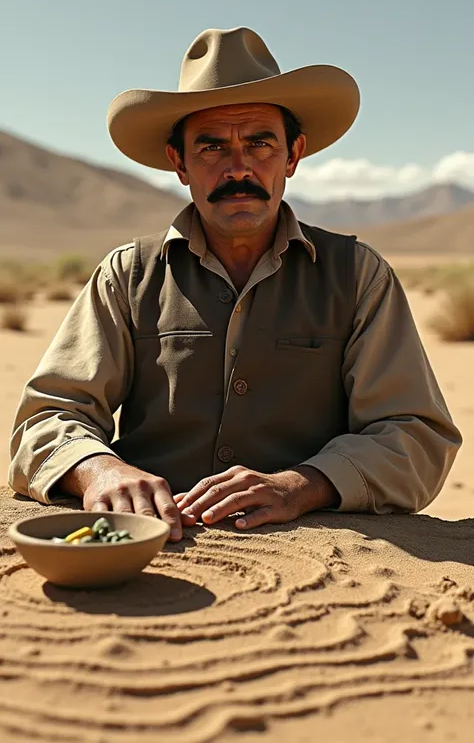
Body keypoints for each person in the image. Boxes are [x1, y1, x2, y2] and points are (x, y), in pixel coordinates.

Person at [9, 27, 461, 542]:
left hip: (326, 552)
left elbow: (415, 436)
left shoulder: (358, 275)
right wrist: (100, 471)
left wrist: (300, 485)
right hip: (150, 547)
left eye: (260, 143)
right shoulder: (127, 275)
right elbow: (46, 418)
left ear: (293, 155)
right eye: (211, 146)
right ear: (179, 162)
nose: (238, 167)